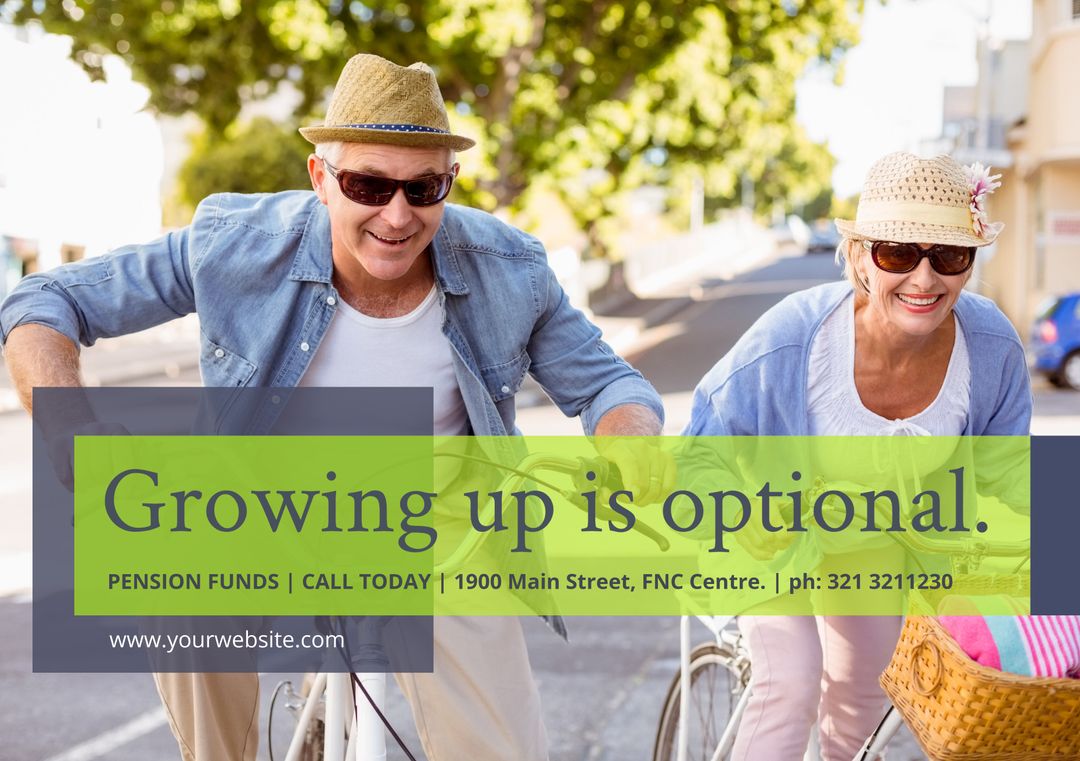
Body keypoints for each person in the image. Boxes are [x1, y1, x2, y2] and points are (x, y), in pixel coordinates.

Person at [0, 53, 674, 761]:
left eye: (423, 188)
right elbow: (48, 300)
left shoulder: (510, 268)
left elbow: (610, 386)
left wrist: (627, 443)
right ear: (322, 178)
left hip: (439, 532)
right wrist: (74, 438)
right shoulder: (236, 243)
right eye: (368, 184)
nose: (397, 213)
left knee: (502, 746)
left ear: (449, 183)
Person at [682, 152, 1031, 760]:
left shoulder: (991, 346)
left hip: (871, 552)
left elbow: (1014, 471)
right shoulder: (792, 340)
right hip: (762, 540)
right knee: (789, 684)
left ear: (969, 264)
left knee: (863, 718)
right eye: (898, 253)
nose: (925, 281)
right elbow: (699, 449)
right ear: (860, 255)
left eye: (948, 256)